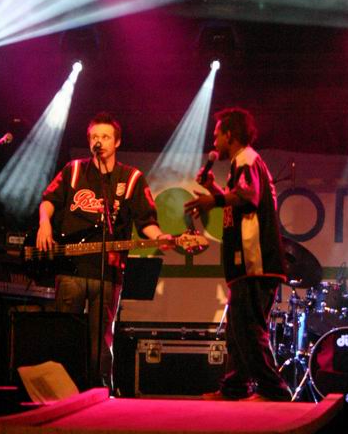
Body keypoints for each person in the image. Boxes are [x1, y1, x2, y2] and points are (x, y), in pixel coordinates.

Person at [37, 111, 172, 390]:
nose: (99, 142)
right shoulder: (74, 170)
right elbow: (48, 200)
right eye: (95, 137)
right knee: (66, 334)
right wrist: (44, 224)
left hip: (108, 271)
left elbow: (146, 221)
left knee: (101, 339)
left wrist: (160, 238)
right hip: (71, 269)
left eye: (106, 137)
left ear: (117, 142)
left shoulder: (131, 178)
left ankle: (100, 391)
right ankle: (64, 391)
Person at [184, 106, 291, 402]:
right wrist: (215, 190)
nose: (214, 141)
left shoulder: (246, 158)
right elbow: (240, 200)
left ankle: (274, 390)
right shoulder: (241, 163)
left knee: (249, 328)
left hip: (255, 263)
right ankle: (235, 386)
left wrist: (214, 200)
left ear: (230, 135)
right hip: (246, 264)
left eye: (217, 134)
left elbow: (248, 197)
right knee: (237, 330)